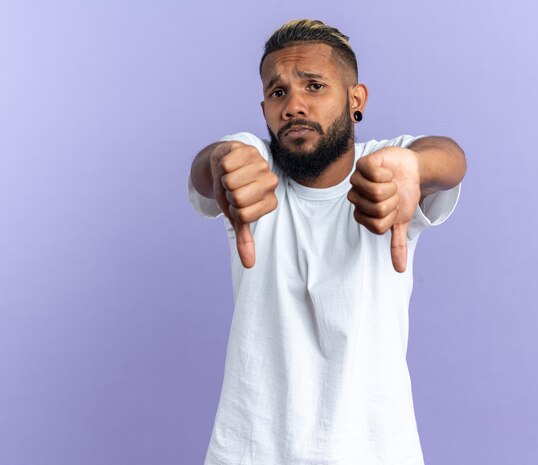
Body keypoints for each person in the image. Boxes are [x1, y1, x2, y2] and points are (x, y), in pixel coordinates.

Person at [188, 18, 466, 465]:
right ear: (264, 111)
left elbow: (449, 156)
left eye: (314, 86)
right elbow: (214, 164)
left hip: (377, 452)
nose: (294, 105)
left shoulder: (385, 171)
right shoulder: (254, 172)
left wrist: (415, 167)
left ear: (356, 100)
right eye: (278, 93)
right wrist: (220, 164)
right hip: (250, 452)